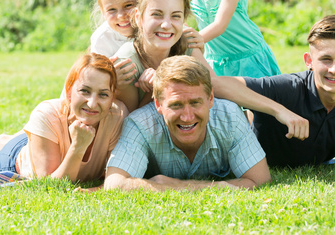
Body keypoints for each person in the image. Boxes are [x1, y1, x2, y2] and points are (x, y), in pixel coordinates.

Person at [212, 15, 335, 179]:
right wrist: (279, 110)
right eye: (326, 59)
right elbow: (215, 85)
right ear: (309, 61)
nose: (334, 69)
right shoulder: (287, 88)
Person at [101, 55, 271, 191]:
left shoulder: (230, 117)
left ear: (210, 98)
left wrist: (175, 186)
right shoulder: (140, 125)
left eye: (195, 102)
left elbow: (260, 180)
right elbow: (115, 184)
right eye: (176, 105)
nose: (187, 117)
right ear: (158, 104)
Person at [0, 53, 128, 185]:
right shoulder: (46, 114)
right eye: (85, 91)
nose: (92, 103)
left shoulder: (117, 116)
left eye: (103, 94)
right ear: (69, 92)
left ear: (112, 98)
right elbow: (50, 185)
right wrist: (78, 146)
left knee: (36, 135)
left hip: (46, 139)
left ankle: (12, 138)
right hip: (16, 162)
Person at [113, 0, 209, 112]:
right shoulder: (126, 62)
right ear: (139, 18)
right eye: (156, 14)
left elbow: (214, 86)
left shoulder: (186, 44)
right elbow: (132, 122)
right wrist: (154, 90)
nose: (166, 25)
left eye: (175, 16)